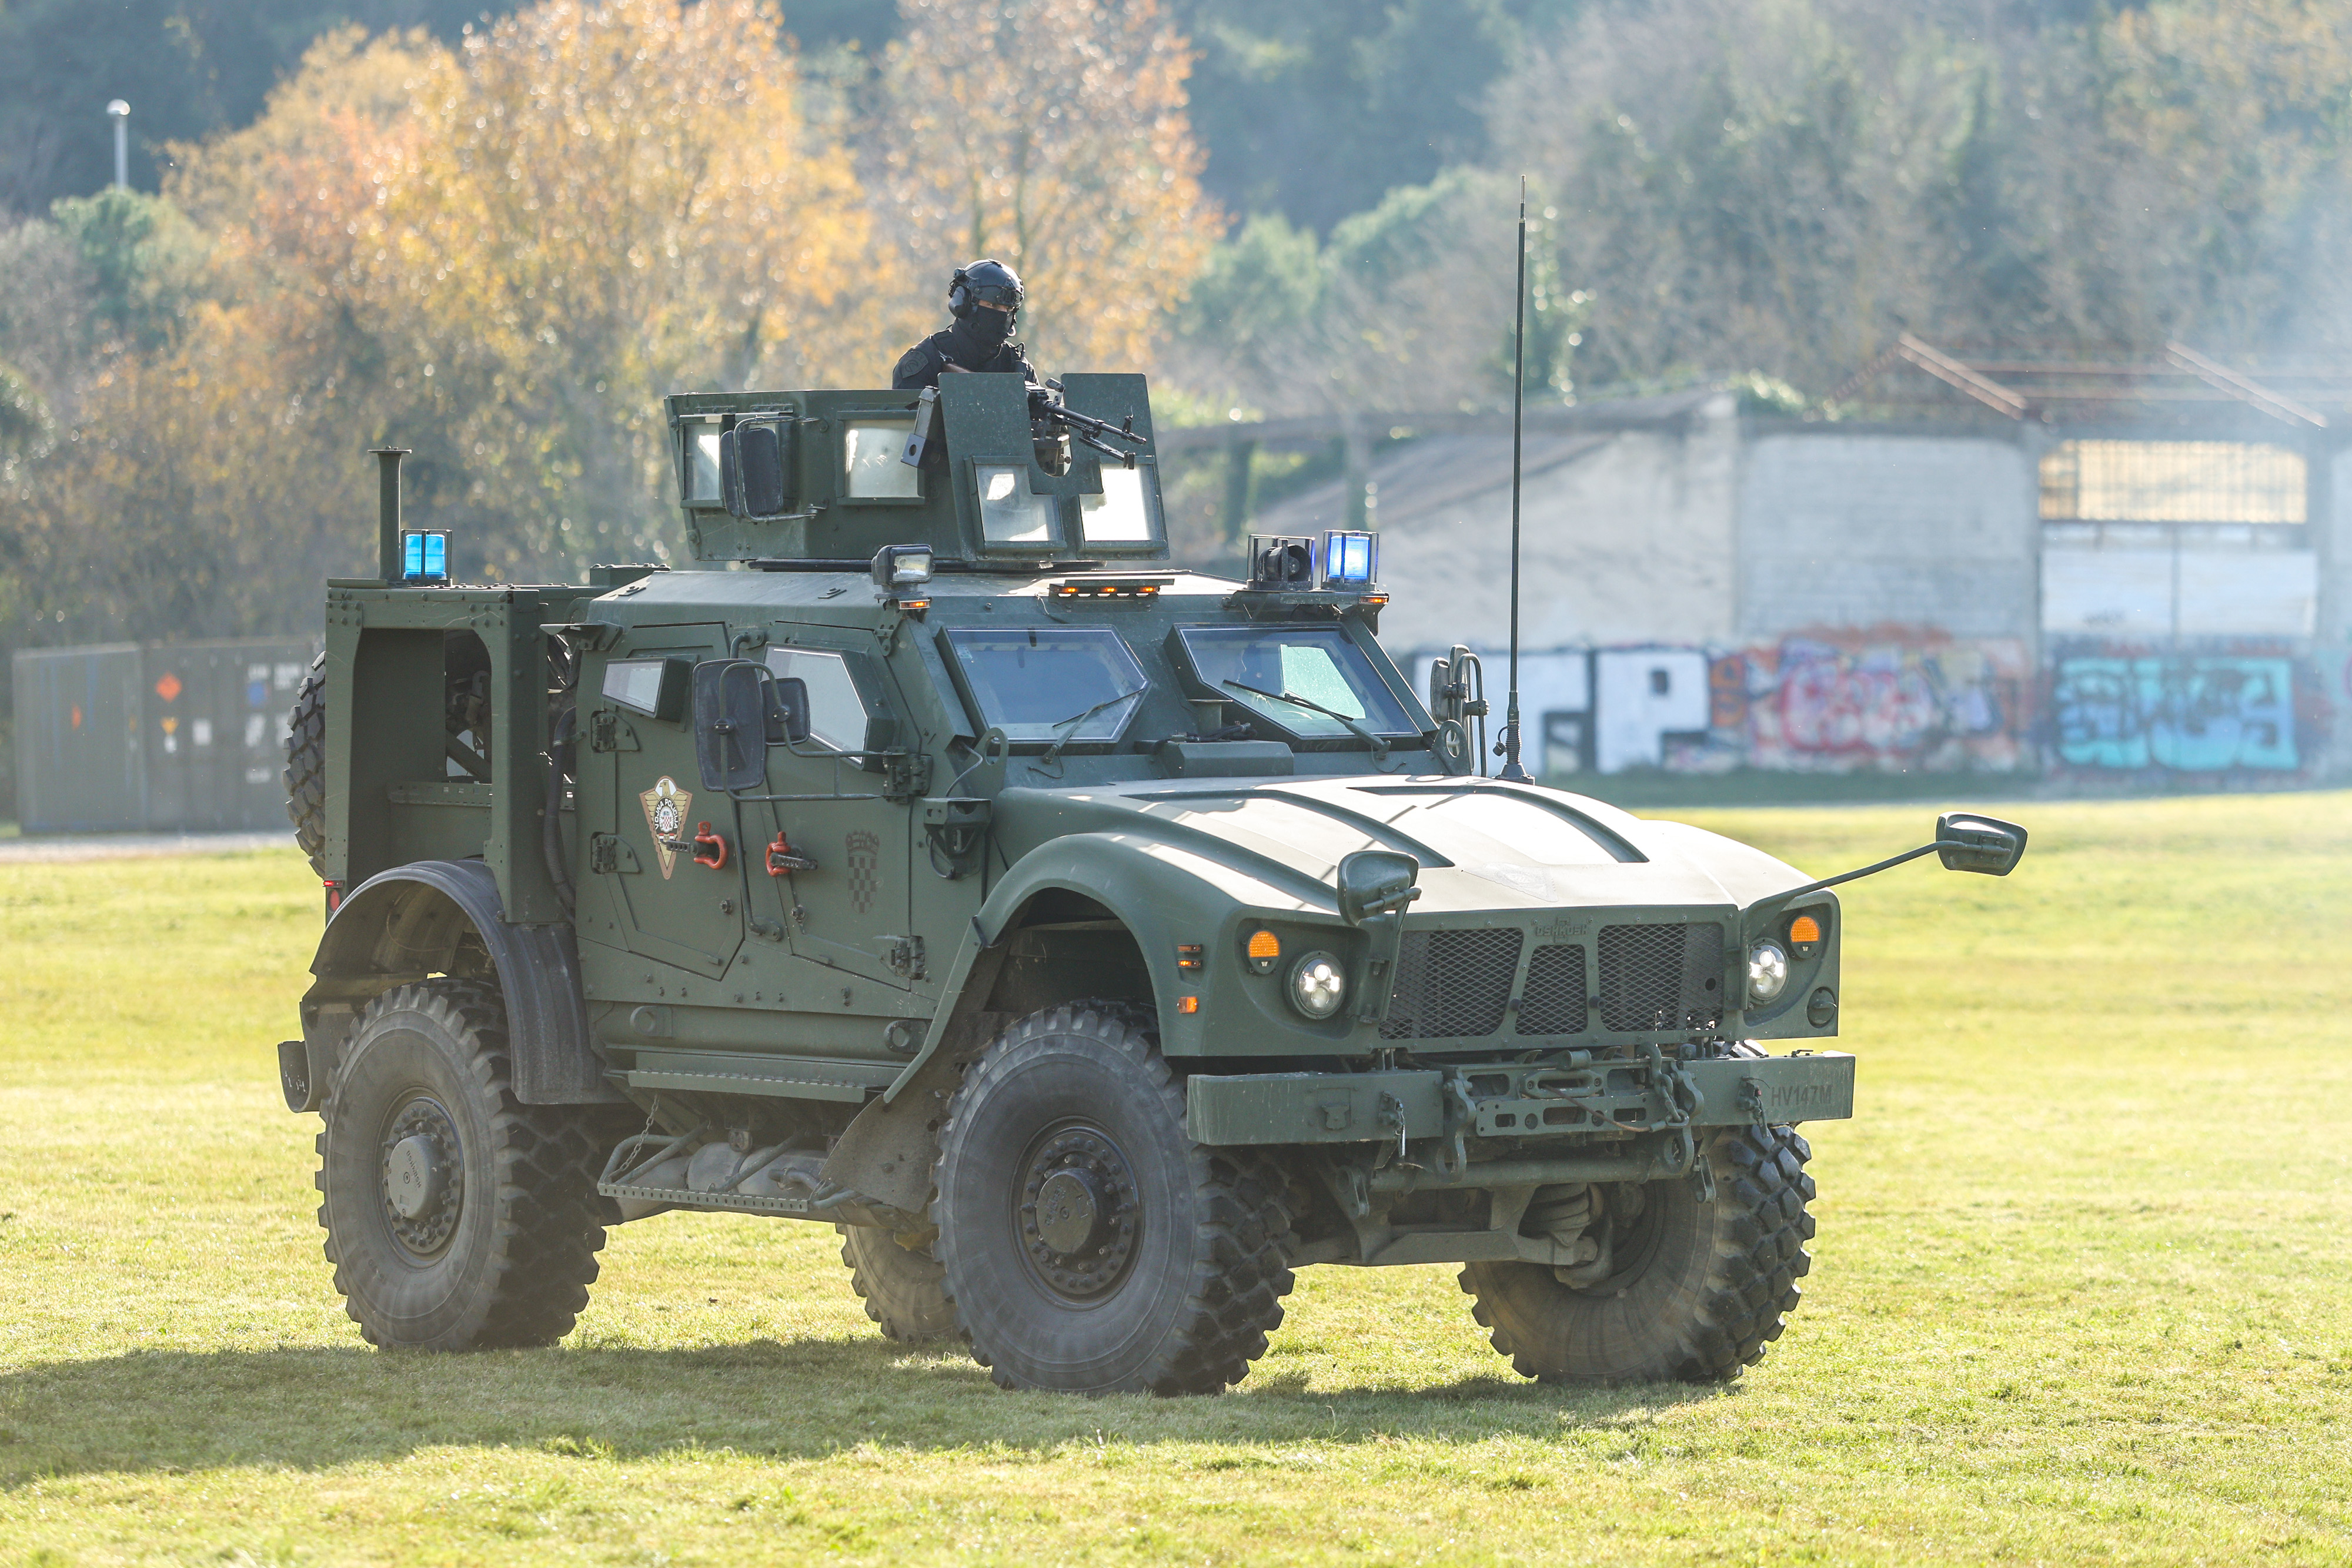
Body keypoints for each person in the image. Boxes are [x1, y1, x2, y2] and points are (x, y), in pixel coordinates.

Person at [892, 259, 1037, 390]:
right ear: (963, 304)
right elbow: (908, 418)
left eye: (1009, 309)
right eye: (993, 305)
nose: (1003, 315)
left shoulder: (1018, 367)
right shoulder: (925, 361)